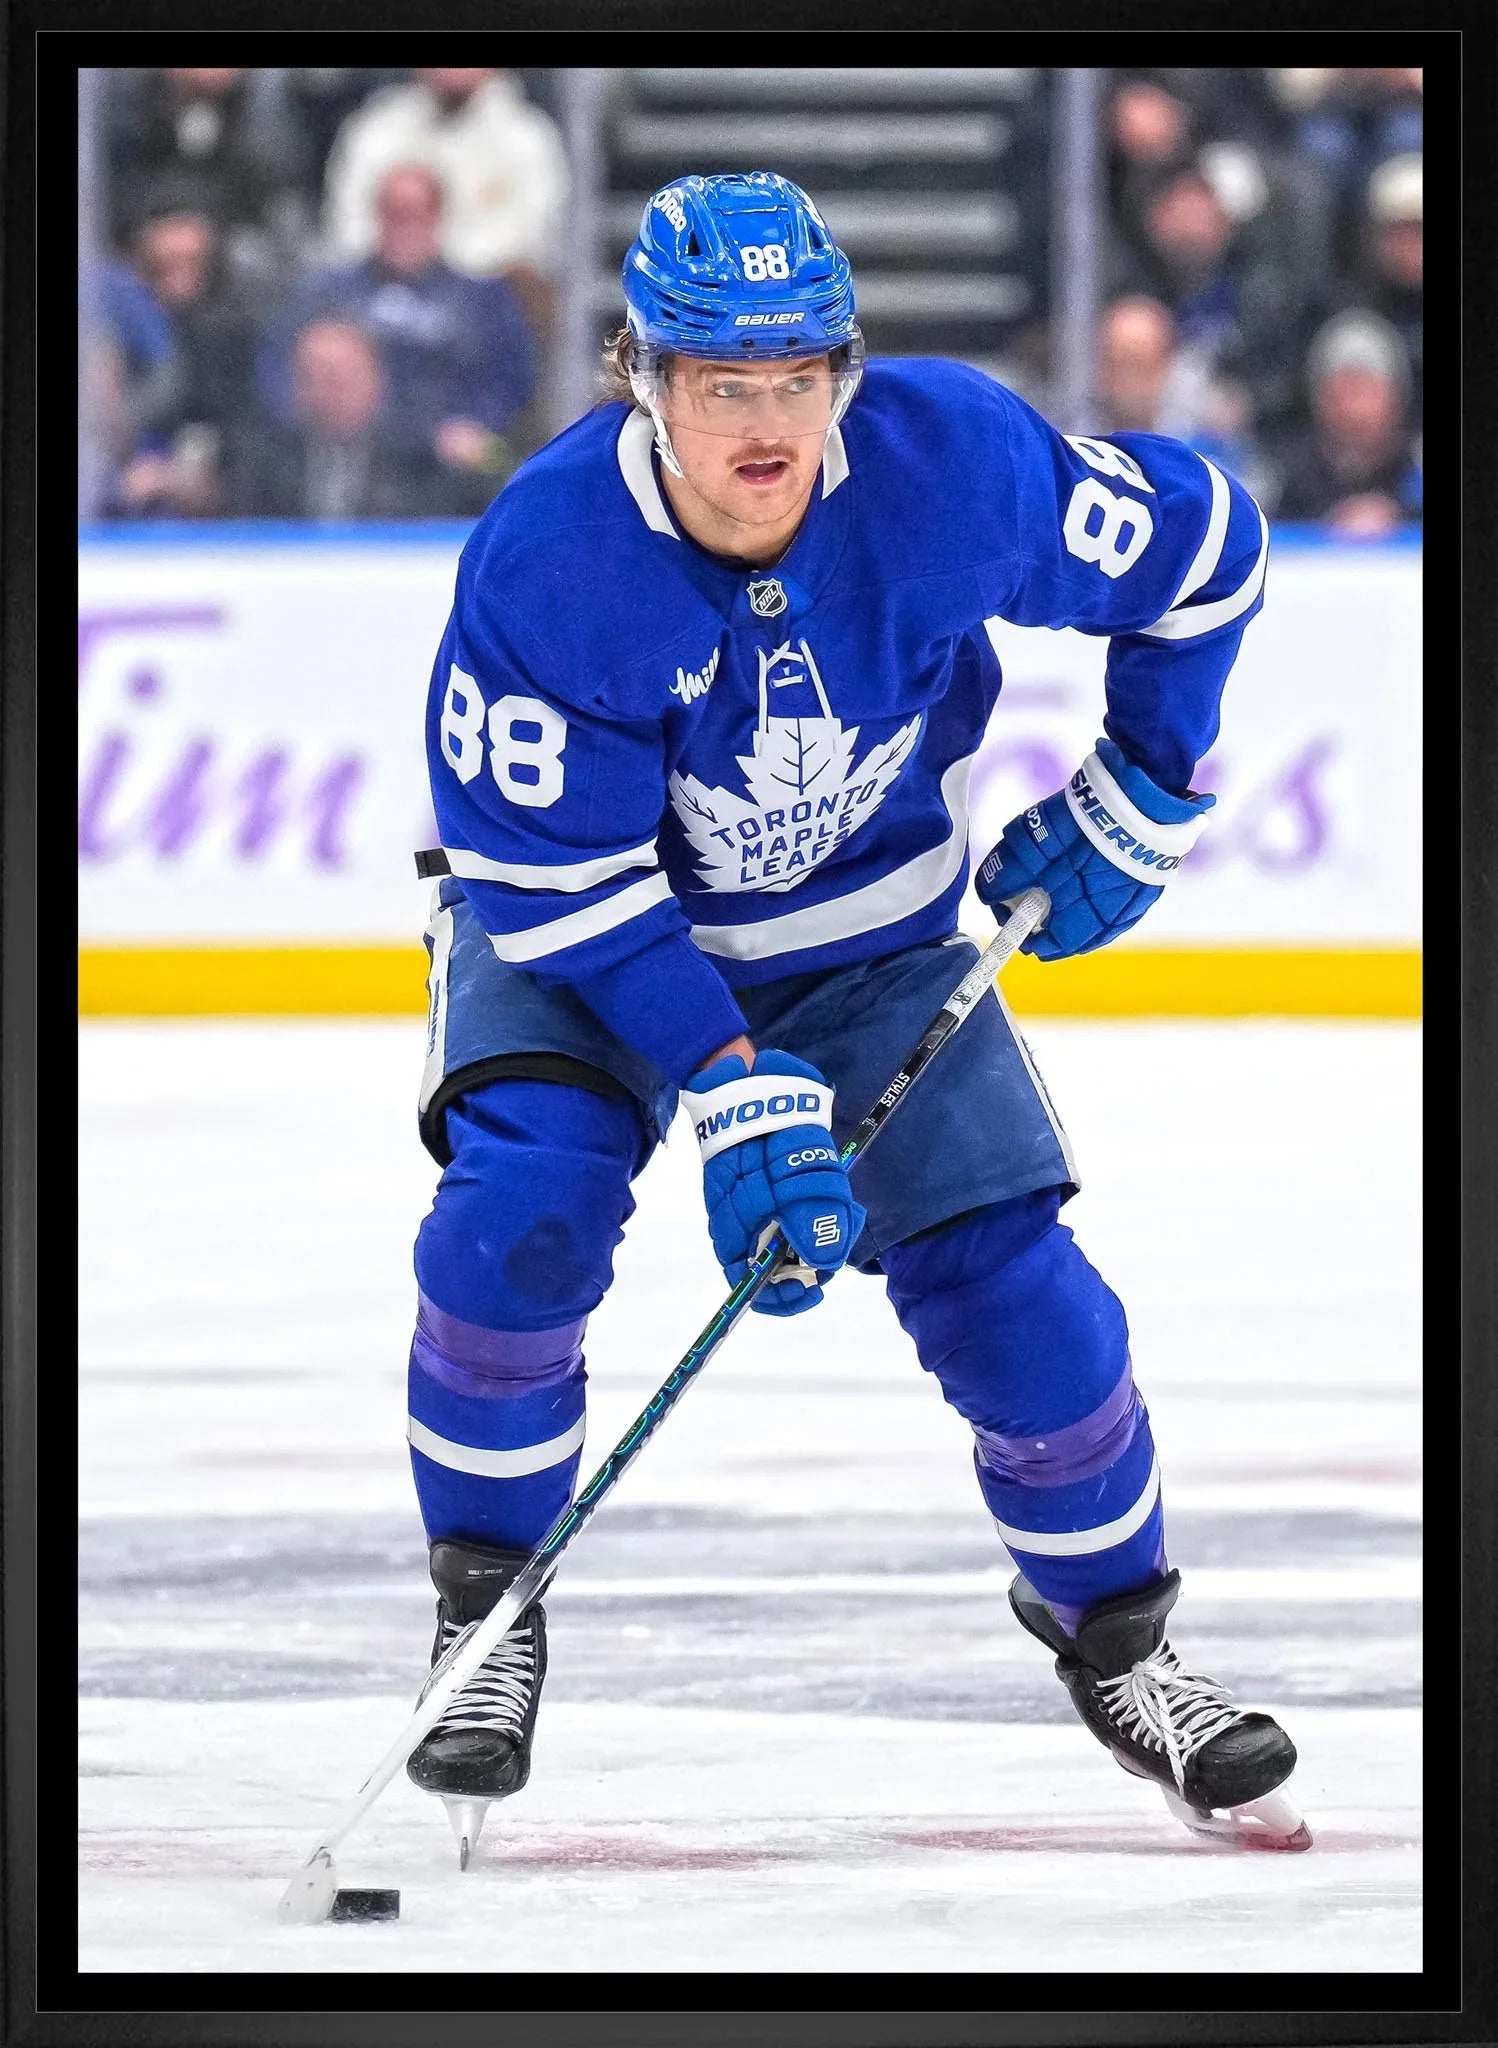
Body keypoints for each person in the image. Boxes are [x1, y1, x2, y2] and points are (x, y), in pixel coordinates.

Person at [403, 171, 1308, 1862]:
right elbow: (562, 889)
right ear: (642, 377)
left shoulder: (949, 461)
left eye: (796, 378)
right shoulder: (546, 558)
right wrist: (733, 1082)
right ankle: (482, 1613)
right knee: (511, 1223)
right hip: (592, 939)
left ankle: (1118, 1640)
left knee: (1024, 1303)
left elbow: (1204, 556)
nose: (764, 424)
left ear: (845, 370)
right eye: (720, 384)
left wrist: (1147, 786)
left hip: (870, 941)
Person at [257, 162, 536, 489]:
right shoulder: (326, 293)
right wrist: (302, 421)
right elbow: (276, 365)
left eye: (415, 214)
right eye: (393, 213)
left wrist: (480, 424)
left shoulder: (482, 301)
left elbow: (512, 378)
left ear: (438, 217)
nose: (402, 227)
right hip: (344, 451)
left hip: (443, 457)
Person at [231, 317, 496, 522]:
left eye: (345, 375)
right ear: (298, 386)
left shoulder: (420, 457)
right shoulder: (265, 460)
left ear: (377, 379)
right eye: (319, 376)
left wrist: (480, 463)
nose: (334, 390)